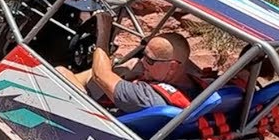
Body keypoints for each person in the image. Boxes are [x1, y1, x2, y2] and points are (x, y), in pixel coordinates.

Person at [58, 11, 209, 113]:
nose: (143, 61)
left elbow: (100, 75)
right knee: (129, 67)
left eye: (150, 60)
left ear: (172, 67)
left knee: (60, 72)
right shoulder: (195, 85)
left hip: (100, 125)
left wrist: (103, 32)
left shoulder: (145, 96)